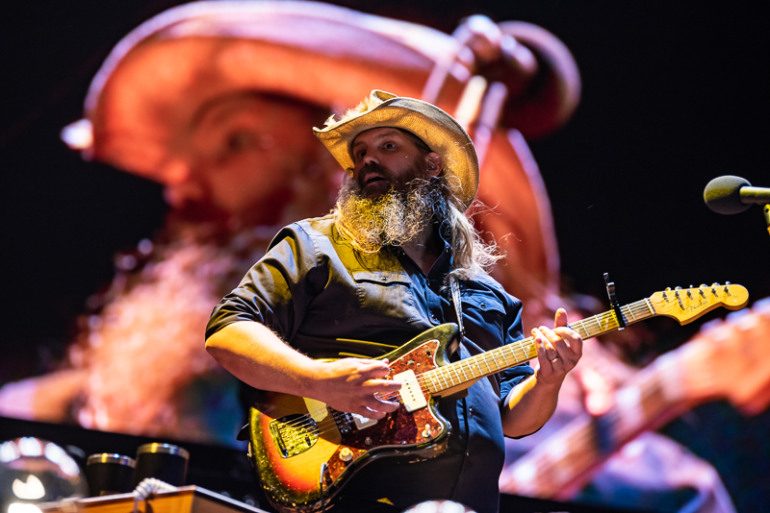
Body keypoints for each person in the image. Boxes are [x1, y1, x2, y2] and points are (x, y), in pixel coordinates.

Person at [0, 1, 579, 446]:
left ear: (338, 172)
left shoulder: (479, 323)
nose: (183, 188)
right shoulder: (84, 400)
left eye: (234, 142)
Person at [204, 89, 584, 513]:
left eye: (388, 147)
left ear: (431, 164)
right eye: (360, 151)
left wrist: (549, 381)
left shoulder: (490, 295)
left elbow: (515, 419)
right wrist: (317, 380)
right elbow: (228, 331)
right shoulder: (316, 245)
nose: (367, 160)